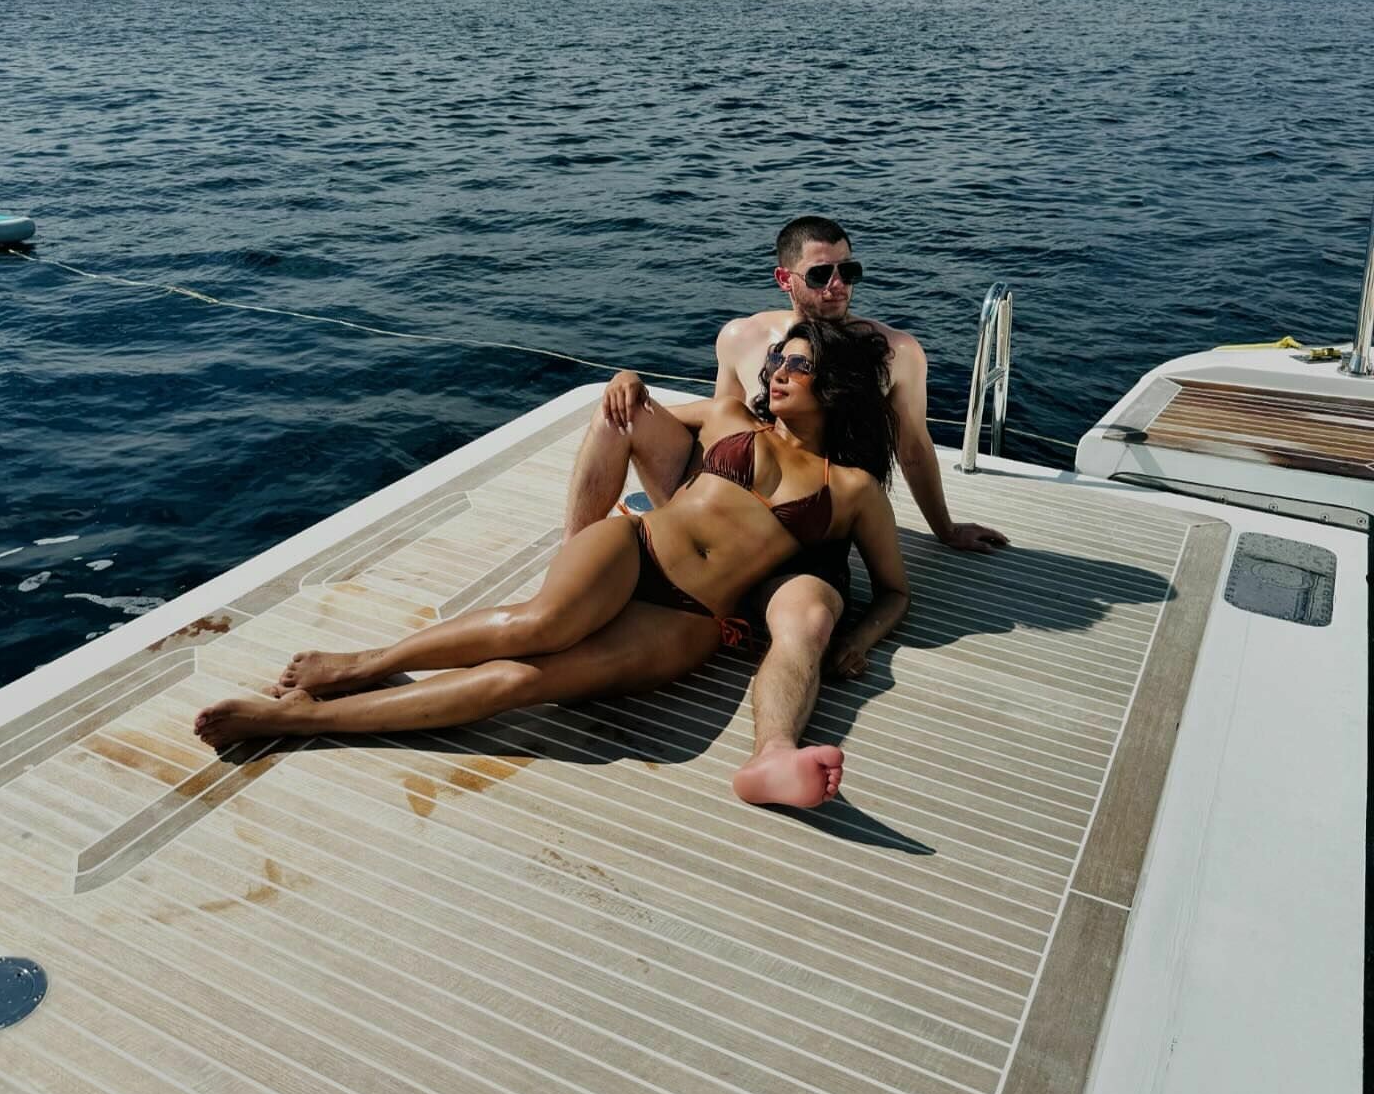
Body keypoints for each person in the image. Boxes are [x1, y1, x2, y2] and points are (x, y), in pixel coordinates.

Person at [193, 318, 910, 808]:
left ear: (835, 383)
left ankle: (293, 721)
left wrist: (862, 638)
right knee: (534, 624)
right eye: (777, 359)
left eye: (798, 364)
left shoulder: (851, 490)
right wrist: (625, 375)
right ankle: (363, 664)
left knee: (520, 682)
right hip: (633, 547)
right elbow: (639, 407)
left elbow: (894, 591)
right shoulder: (730, 418)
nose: (777, 370)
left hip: (687, 617)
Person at [563, 214, 1007, 807]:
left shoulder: (894, 352)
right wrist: (628, 384)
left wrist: (945, 529)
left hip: (807, 532)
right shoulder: (742, 338)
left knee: (811, 623)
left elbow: (915, 447)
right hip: (726, 509)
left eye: (848, 270)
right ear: (785, 279)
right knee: (617, 411)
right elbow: (720, 427)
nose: (838, 285)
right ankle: (573, 569)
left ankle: (774, 752)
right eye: (821, 274)